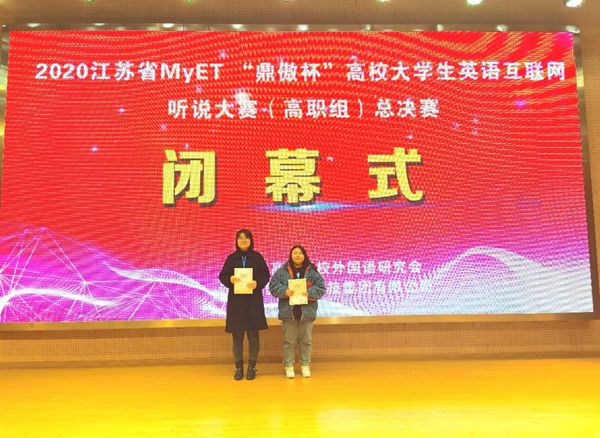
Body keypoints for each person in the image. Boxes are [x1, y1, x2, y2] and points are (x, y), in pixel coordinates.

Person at [219, 229, 270, 380]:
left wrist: (257, 283)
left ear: (251, 240)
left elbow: (265, 275)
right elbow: (222, 276)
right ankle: (239, 367)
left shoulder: (257, 257)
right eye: (240, 238)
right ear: (236, 241)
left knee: (253, 334)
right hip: (236, 302)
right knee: (237, 334)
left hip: (254, 300)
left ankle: (252, 366)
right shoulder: (231, 258)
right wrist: (230, 279)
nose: (243, 240)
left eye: (246, 238)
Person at [269, 245, 325, 378]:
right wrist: (284, 291)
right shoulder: (282, 271)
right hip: (288, 313)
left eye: (300, 253)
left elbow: (321, 288)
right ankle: (289, 366)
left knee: (306, 341)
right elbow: (273, 286)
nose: (298, 255)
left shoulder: (312, 271)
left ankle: (305, 365)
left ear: (304, 255)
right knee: (289, 341)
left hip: (307, 313)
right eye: (295, 253)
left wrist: (309, 292)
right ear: (291, 255)